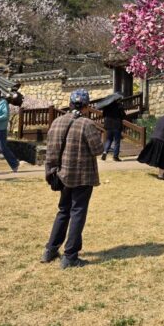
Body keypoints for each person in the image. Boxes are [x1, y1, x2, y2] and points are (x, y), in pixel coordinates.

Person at [41, 89, 104, 269]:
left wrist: (51, 171)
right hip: (83, 175)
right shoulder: (87, 124)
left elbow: (50, 149)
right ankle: (70, 255)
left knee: (63, 211)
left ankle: (50, 250)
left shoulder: (57, 122)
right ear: (86, 106)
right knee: (78, 212)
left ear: (70, 104)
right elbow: (98, 149)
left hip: (62, 174)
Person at [138, 107, 164, 180]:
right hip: (162, 139)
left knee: (162, 156)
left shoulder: (162, 117)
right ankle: (160, 175)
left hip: (155, 137)